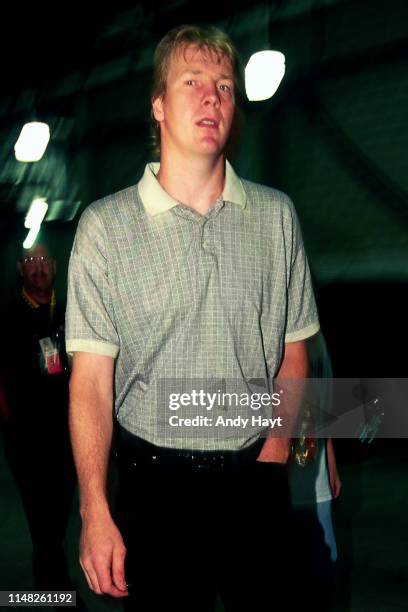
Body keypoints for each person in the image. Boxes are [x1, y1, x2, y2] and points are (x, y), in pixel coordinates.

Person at [66, 24, 320, 611]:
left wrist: (276, 453)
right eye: (193, 81)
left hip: (254, 475)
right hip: (154, 489)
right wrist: (95, 509)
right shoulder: (106, 229)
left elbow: (294, 350)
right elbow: (90, 385)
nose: (213, 97)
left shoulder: (276, 217)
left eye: (226, 85)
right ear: (157, 106)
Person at [1, 241, 76, 591]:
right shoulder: (8, 316)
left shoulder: (72, 311)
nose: (38, 267)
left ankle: (52, 586)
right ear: (20, 269)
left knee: (57, 520)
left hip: (67, 436)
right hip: (27, 440)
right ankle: (55, 594)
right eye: (30, 260)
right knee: (42, 527)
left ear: (55, 267)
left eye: (44, 259)